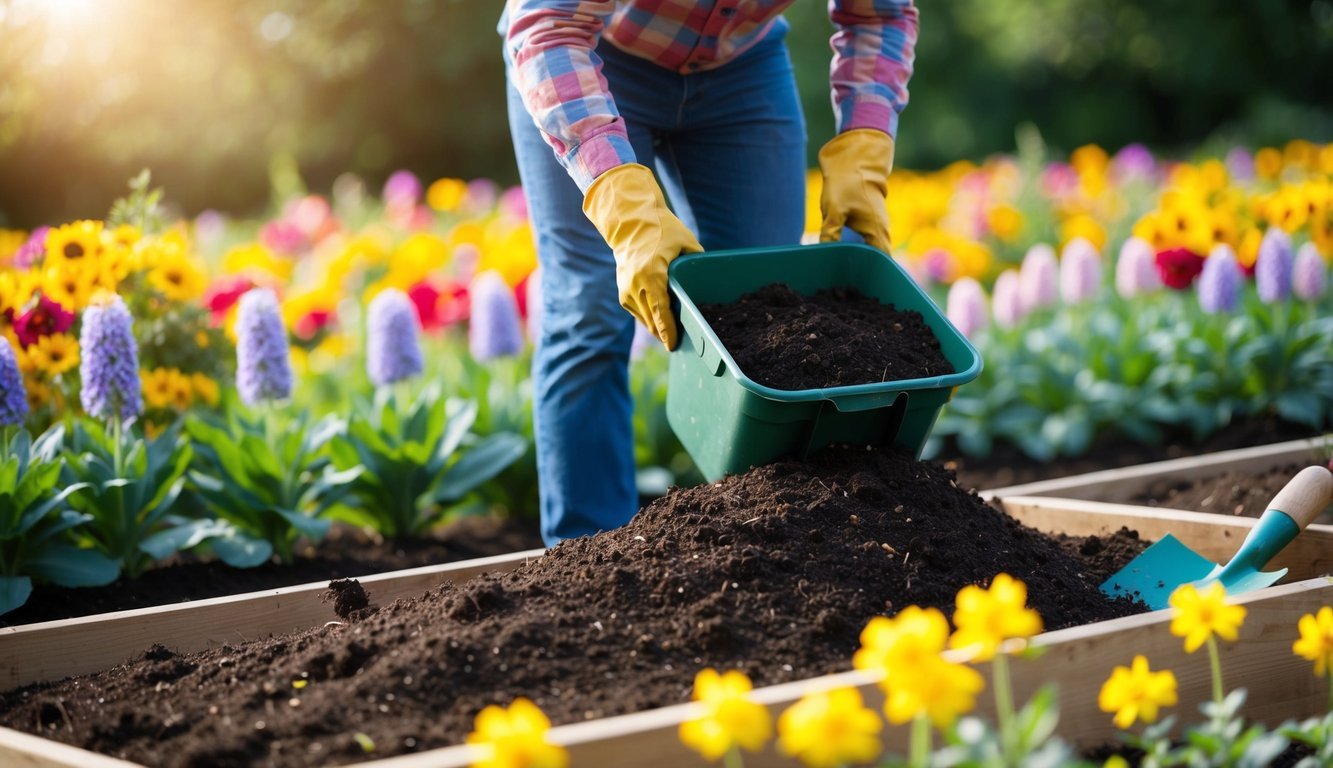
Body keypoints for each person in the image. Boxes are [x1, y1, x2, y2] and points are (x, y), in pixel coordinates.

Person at [499, 0, 918, 547]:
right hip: (586, 51)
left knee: (770, 311)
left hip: (742, 65)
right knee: (589, 310)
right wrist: (619, 200)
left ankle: (771, 548)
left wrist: (866, 145)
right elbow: (548, 22)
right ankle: (587, 556)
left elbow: (880, 13)